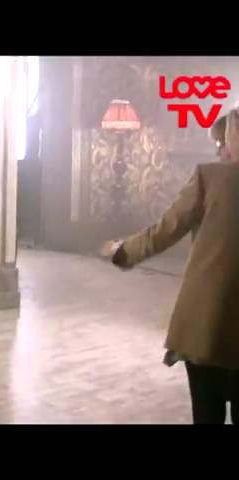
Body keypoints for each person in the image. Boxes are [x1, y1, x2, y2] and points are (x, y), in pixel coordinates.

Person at [100, 108, 239, 424]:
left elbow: (166, 230)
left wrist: (123, 251)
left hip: (209, 320)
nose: (219, 151)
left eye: (222, 142)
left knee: (208, 413)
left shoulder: (210, 177)